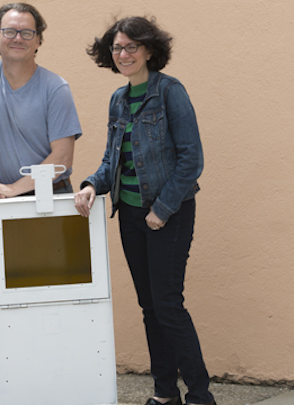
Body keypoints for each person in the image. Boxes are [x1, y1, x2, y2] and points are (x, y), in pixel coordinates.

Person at [74, 16, 216, 405]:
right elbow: (111, 161)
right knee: (150, 308)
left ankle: (201, 395)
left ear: (149, 50)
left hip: (167, 215)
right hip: (132, 217)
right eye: (117, 48)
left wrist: (164, 208)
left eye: (131, 46)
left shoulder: (170, 92)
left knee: (168, 305)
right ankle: (165, 393)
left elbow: (191, 159)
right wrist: (90, 184)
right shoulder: (119, 100)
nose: (123, 54)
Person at [0, 3, 82, 201]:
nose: (18, 38)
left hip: (51, 195)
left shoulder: (56, 88)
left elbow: (62, 158)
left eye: (27, 33)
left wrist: (14, 189)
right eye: (10, 31)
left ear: (38, 40)